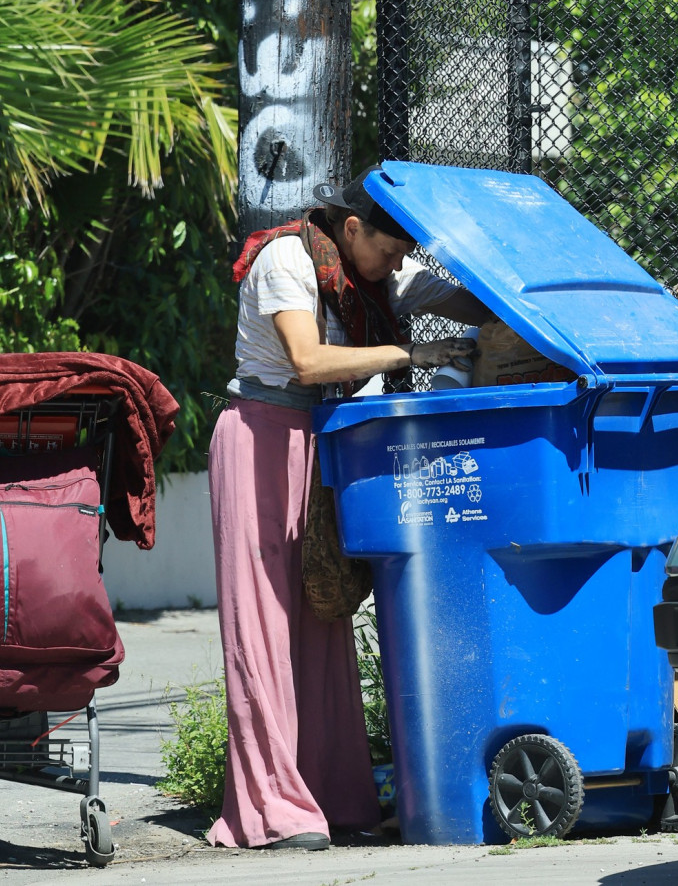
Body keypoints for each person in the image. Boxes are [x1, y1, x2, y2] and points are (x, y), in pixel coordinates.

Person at [207, 165, 490, 851]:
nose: (395, 266)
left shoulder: (374, 274)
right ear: (354, 228)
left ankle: (332, 798)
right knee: (263, 630)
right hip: (261, 435)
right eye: (389, 251)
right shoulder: (285, 257)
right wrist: (413, 350)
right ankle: (270, 809)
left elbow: (471, 301)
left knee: (323, 615)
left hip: (322, 443)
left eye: (401, 257)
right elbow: (305, 361)